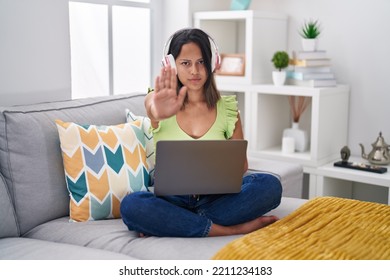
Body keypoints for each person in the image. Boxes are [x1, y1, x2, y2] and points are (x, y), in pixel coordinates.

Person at [120, 28, 282, 237]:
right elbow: (153, 108)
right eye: (185, 63)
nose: (195, 70)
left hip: (217, 199)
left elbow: (241, 166)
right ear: (171, 65)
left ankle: (176, 223)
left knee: (270, 185)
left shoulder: (229, 109)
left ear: (212, 62)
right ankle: (228, 229)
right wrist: (157, 111)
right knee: (132, 205)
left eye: (201, 61)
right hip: (172, 200)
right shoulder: (160, 100)